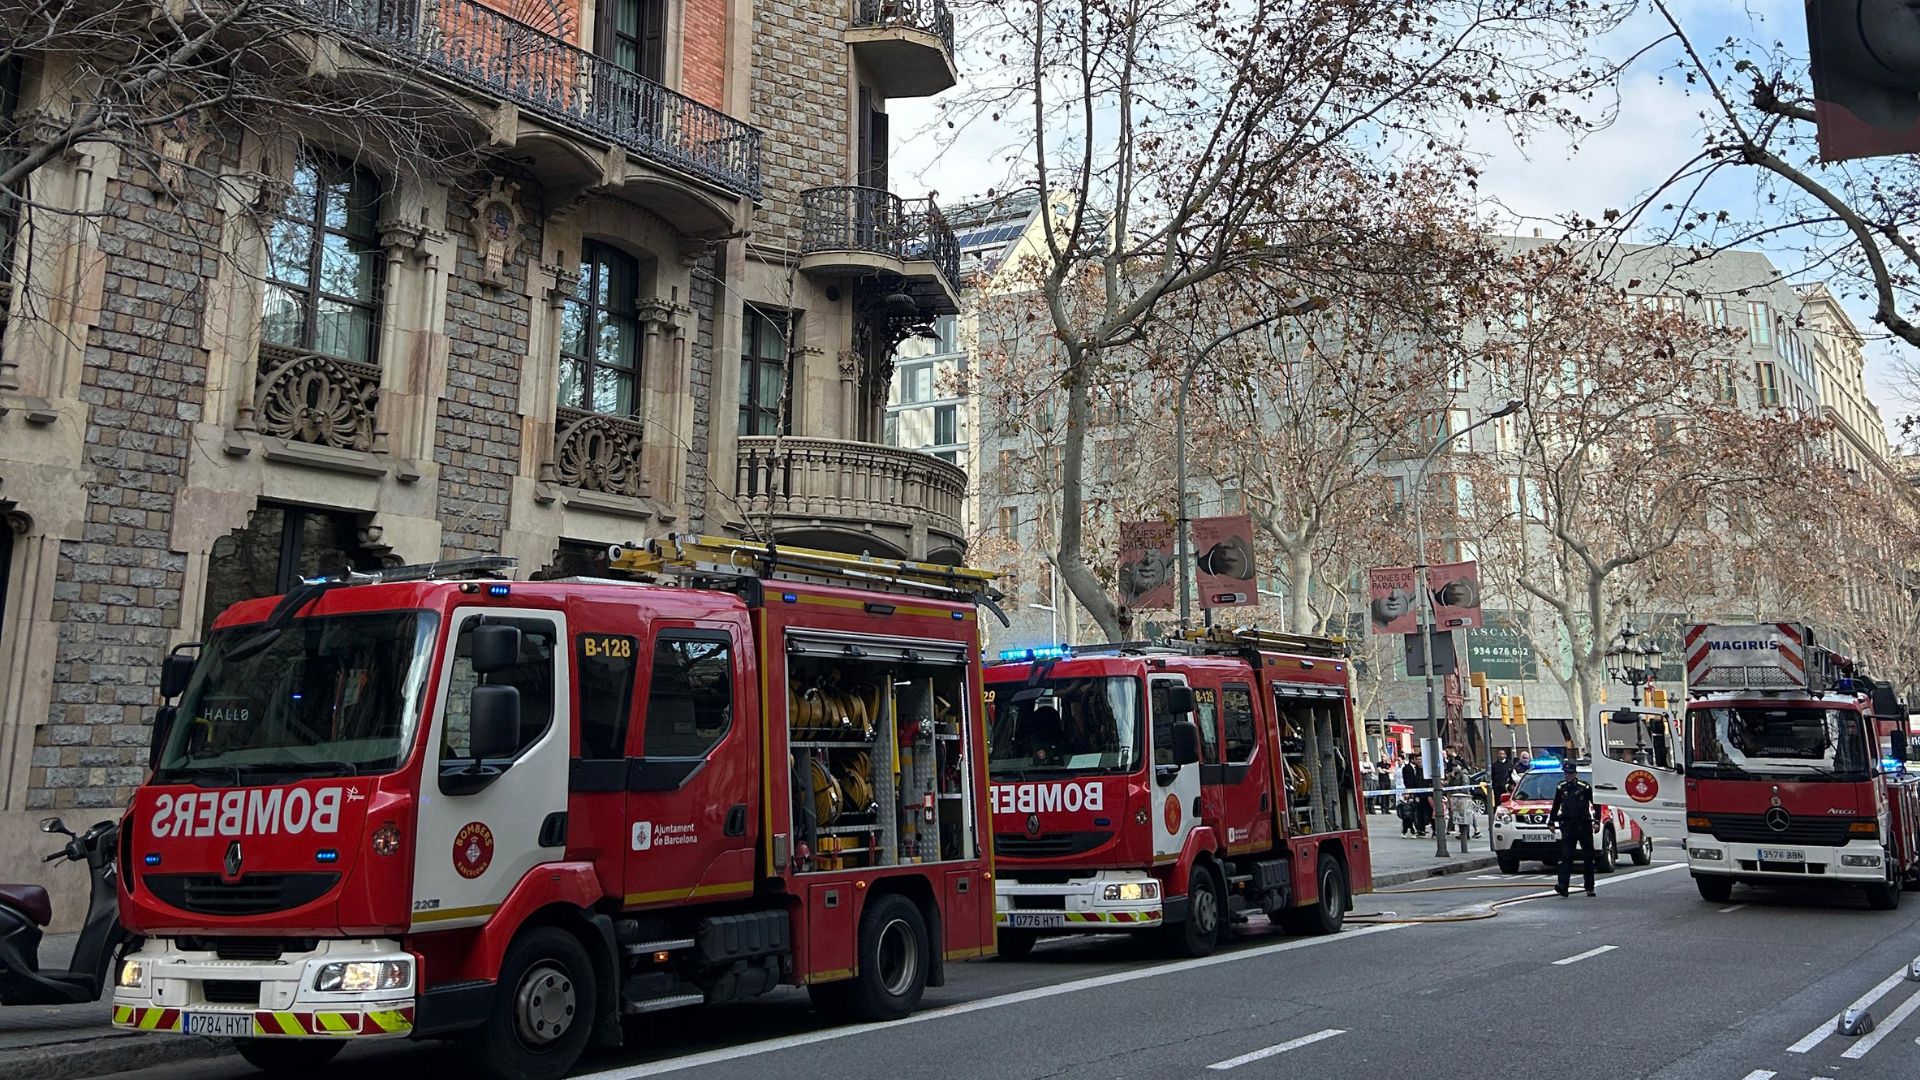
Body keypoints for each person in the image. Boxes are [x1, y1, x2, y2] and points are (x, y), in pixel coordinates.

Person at [1548, 759, 1597, 897]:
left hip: (1583, 824)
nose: (1567, 776)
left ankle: (1589, 886)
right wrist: (1551, 821)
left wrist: (1597, 820)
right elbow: (1556, 805)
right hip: (1568, 825)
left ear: (1575, 774)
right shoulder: (1561, 787)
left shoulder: (1584, 787)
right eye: (1566, 773)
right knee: (1566, 856)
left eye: (1570, 773)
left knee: (1588, 856)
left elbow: (1595, 804)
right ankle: (1563, 885)